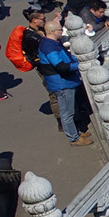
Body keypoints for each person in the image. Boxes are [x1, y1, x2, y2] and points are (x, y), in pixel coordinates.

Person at [38, 18, 94, 146]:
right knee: (67, 113)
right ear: (53, 31)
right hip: (61, 83)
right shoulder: (49, 47)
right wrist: (77, 65)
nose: (61, 32)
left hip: (64, 82)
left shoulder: (51, 44)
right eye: (59, 30)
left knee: (70, 110)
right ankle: (73, 138)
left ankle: (76, 132)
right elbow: (61, 66)